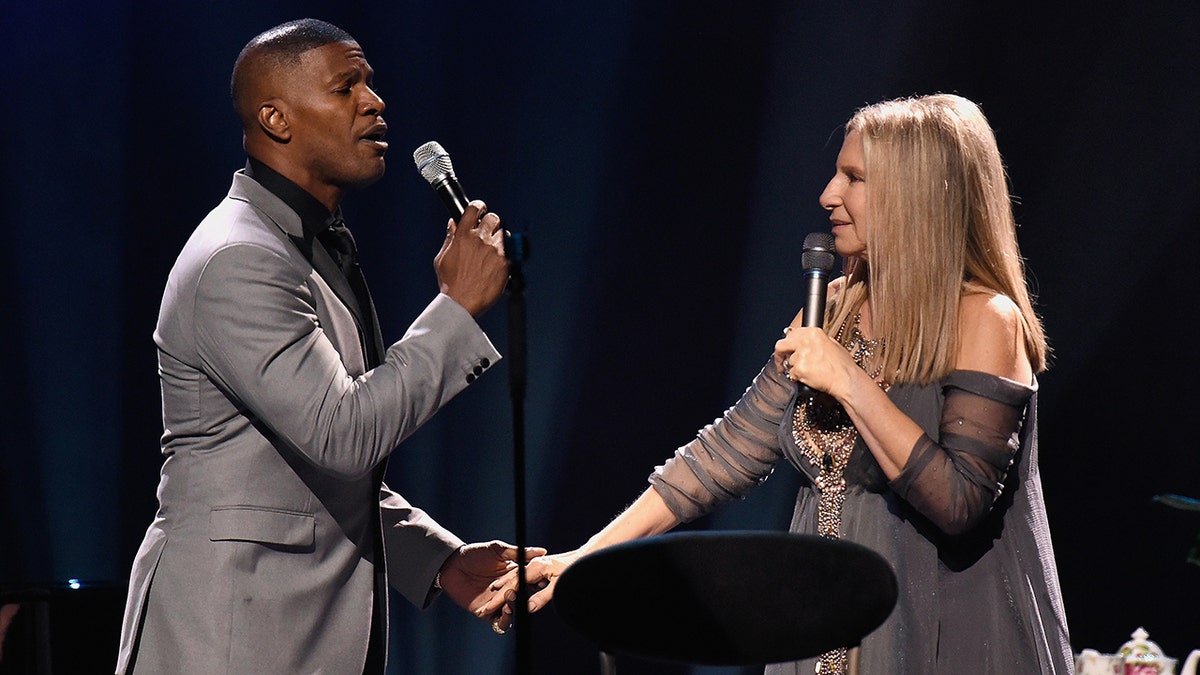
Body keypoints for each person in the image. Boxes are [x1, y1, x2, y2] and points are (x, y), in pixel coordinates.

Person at [522, 94, 1072, 673]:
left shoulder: (986, 318)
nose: (828, 195)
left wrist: (849, 381)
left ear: (917, 196)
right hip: (817, 627)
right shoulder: (830, 308)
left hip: (941, 637)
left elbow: (959, 502)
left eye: (854, 178)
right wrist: (584, 558)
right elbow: (726, 453)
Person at [115, 18, 542, 674]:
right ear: (277, 119)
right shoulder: (239, 257)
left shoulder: (306, 248)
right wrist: (455, 310)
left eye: (369, 83)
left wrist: (440, 561)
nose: (375, 102)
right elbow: (340, 433)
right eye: (347, 87)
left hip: (293, 635)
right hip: (230, 642)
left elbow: (303, 469)